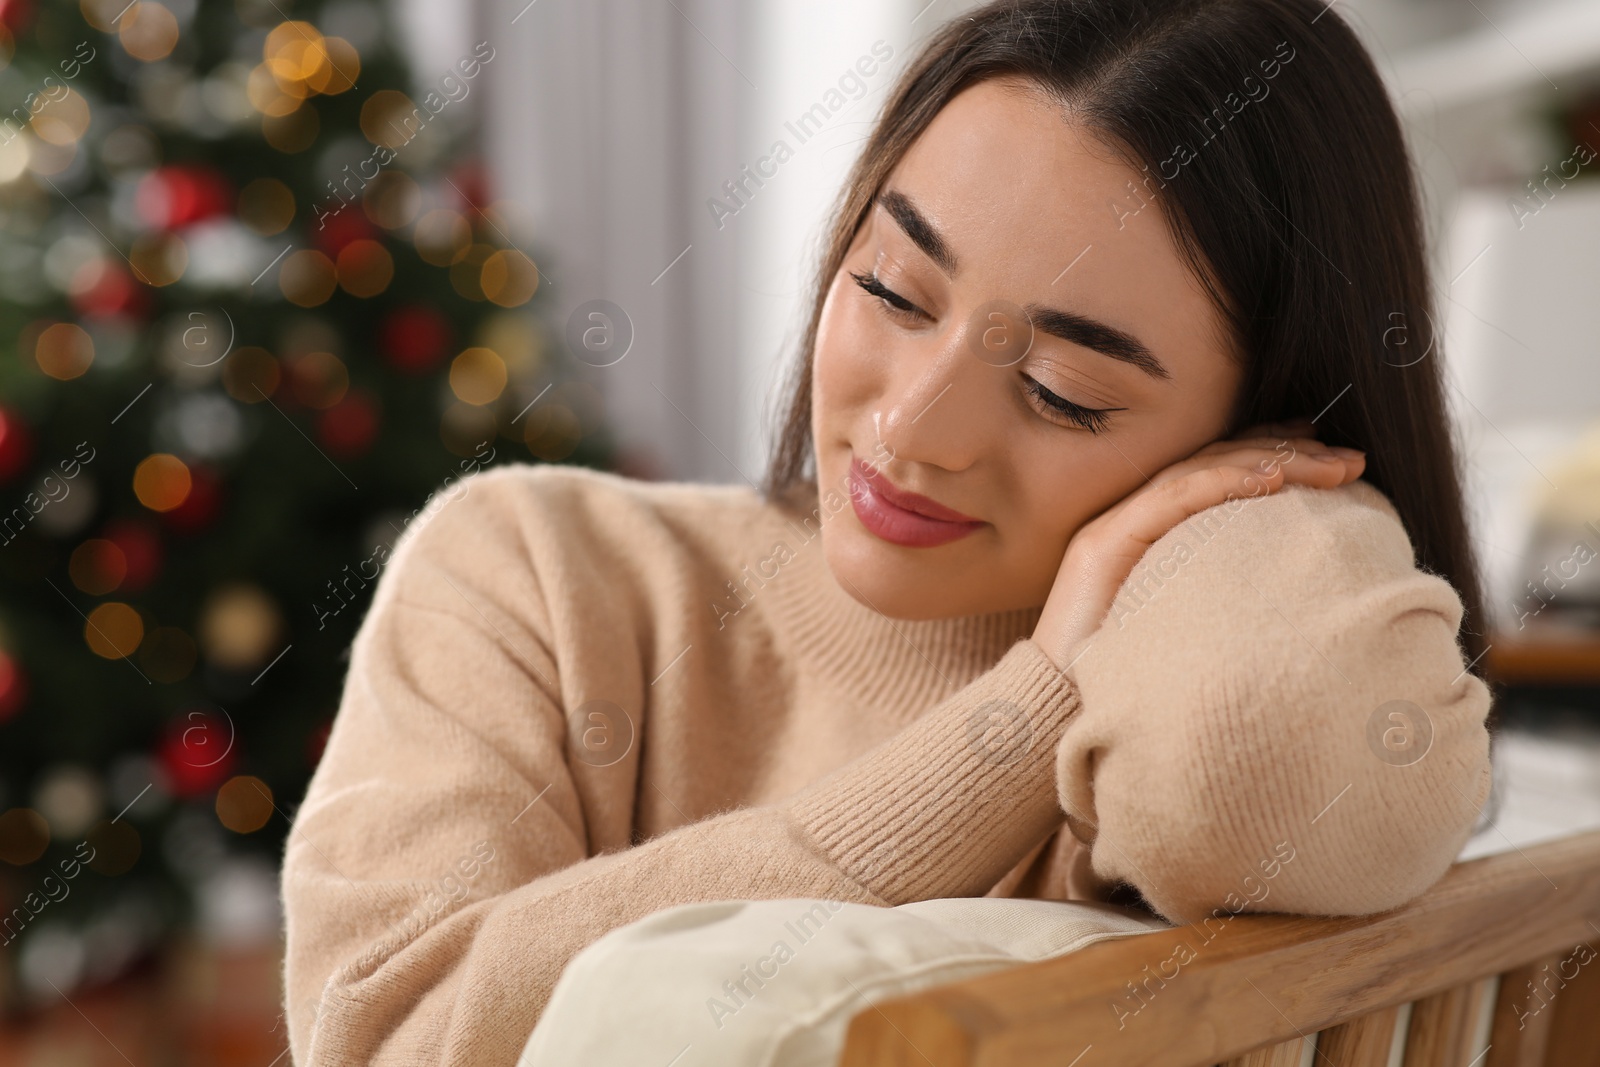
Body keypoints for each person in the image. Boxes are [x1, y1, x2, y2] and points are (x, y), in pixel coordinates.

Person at [280, 0, 1494, 1062]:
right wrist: (1017, 724)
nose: (914, 427)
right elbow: (389, 1036)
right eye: (892, 291)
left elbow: (1268, 775)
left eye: (1064, 388)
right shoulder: (533, 566)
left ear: (1254, 429)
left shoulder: (1193, 684)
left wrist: (1286, 509)